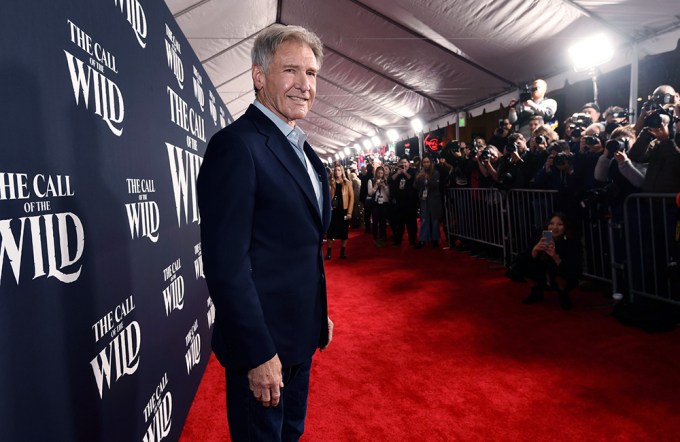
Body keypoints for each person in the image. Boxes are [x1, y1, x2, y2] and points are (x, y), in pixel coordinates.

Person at [196, 24, 333, 442]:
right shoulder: (237, 147)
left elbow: (299, 246)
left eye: (311, 74)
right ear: (259, 76)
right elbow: (226, 266)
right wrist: (258, 354)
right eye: (291, 70)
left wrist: (316, 313)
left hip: (299, 340)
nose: (304, 85)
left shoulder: (304, 149)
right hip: (263, 350)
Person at [521, 213, 582, 310]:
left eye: (559, 224)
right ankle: (536, 292)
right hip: (542, 269)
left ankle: (563, 294)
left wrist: (555, 257)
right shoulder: (540, 236)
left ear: (565, 227)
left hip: (562, 272)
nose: (554, 227)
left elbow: (573, 267)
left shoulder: (571, 241)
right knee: (523, 263)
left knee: (559, 271)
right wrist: (535, 250)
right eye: (551, 224)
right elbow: (525, 258)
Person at [326, 164, 354, 259]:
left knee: (344, 233)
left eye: (339, 170)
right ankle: (329, 252)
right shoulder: (331, 183)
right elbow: (327, 197)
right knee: (330, 232)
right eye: (335, 170)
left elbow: (352, 199)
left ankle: (342, 251)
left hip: (344, 211)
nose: (337, 172)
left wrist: (350, 212)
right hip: (333, 212)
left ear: (342, 171)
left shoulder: (347, 183)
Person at [415, 155, 442, 248]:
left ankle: (435, 240)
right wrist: (418, 178)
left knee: (434, 220)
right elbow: (415, 186)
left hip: (434, 199)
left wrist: (427, 178)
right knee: (424, 220)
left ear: (430, 163)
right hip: (424, 199)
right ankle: (422, 240)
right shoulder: (419, 172)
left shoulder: (435, 173)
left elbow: (435, 185)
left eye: (427, 162)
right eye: (424, 162)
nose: (426, 164)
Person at [368, 165, 390, 247]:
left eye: (382, 173)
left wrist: (384, 186)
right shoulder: (371, 181)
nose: (380, 175)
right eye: (379, 173)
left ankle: (382, 237)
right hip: (375, 203)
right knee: (375, 221)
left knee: (383, 222)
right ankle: (375, 238)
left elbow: (389, 194)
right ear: (376, 173)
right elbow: (370, 193)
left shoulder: (386, 181)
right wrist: (376, 186)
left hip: (384, 203)